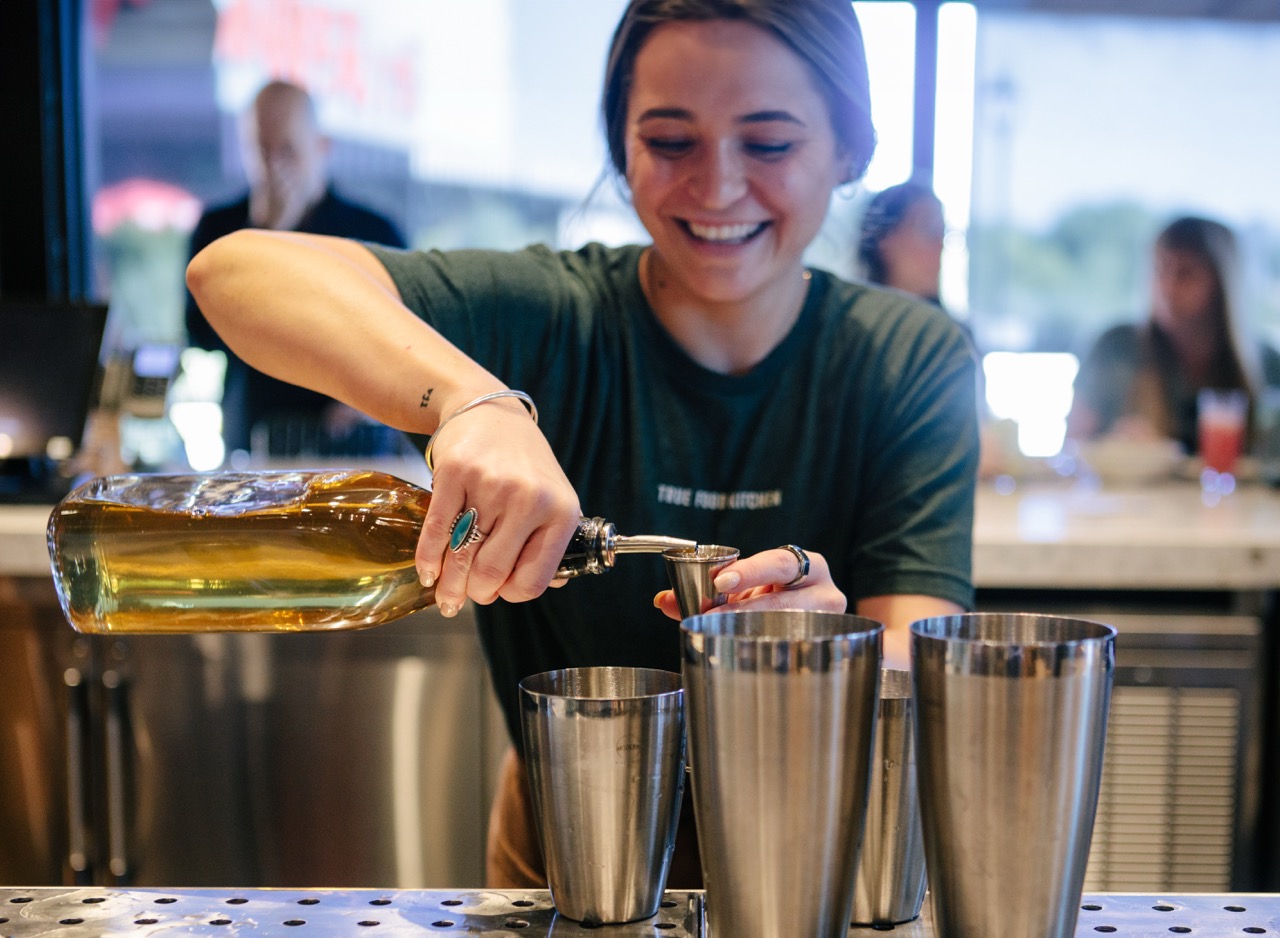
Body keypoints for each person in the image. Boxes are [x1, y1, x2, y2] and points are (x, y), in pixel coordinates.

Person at [187, 0, 978, 889]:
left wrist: (831, 647)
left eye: (769, 144)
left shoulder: (909, 357)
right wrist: (471, 401)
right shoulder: (554, 318)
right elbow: (235, 272)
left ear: (848, 149)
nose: (717, 187)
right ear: (621, 147)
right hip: (565, 846)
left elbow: (918, 650)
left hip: (820, 853)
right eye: (672, 142)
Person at [184, 79, 407, 456]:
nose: (273, 167)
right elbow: (201, 335)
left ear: (321, 147)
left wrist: (374, 396)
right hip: (253, 434)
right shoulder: (220, 230)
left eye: (287, 150)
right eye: (260, 150)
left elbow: (407, 340)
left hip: (349, 440)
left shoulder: (372, 232)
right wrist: (266, 236)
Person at [1067, 215, 1280, 454]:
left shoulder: (1267, 365)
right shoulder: (1116, 347)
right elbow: (1071, 449)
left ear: (1221, 285)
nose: (1167, 287)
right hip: (1128, 491)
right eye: (1160, 269)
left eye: (1185, 273)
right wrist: (1114, 446)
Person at [856, 180, 946, 304]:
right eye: (928, 230)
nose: (940, 246)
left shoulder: (946, 323)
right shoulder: (850, 318)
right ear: (883, 238)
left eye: (943, 234)